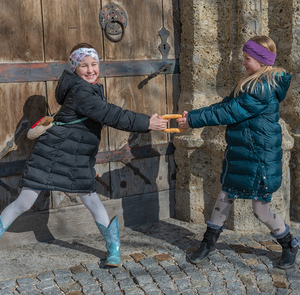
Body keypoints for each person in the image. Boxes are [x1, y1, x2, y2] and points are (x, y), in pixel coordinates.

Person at [0, 43, 168, 267]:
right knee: (25, 202)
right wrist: (146, 122)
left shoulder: (90, 88)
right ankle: (114, 248)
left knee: (91, 199)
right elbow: (110, 114)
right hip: (52, 154)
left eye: (94, 64)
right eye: (83, 66)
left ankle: (113, 248)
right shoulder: (80, 91)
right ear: (74, 69)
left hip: (76, 157)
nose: (90, 70)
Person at [177, 36, 299, 269]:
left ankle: (289, 242)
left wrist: (192, 120)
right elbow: (223, 106)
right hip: (243, 156)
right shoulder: (251, 82)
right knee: (225, 197)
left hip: (259, 160)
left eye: (247, 59)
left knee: (260, 210)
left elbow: (229, 113)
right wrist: (191, 116)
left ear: (262, 61)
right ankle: (208, 243)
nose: (243, 62)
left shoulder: (262, 88)